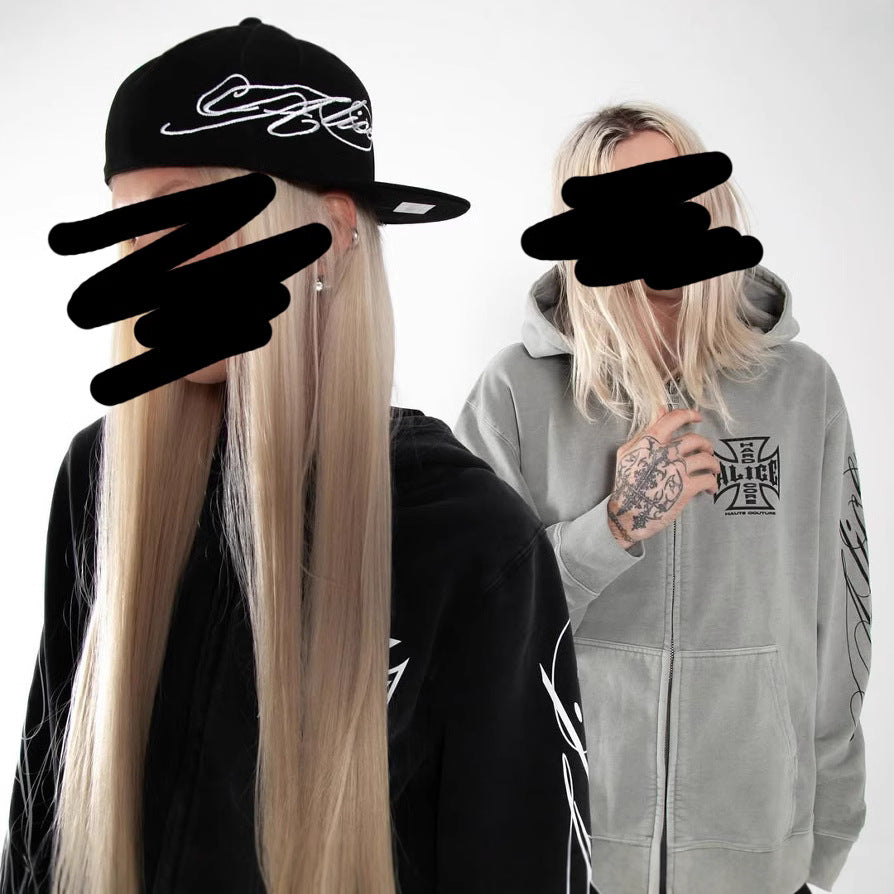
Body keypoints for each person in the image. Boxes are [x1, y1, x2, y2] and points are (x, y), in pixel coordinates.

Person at [0, 19, 593, 894]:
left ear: (332, 232)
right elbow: (43, 820)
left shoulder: (467, 540)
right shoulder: (101, 478)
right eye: (130, 231)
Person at [454, 101, 871, 894]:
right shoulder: (515, 391)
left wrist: (824, 838)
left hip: (757, 853)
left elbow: (840, 618)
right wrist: (614, 525)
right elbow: (474, 626)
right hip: (567, 849)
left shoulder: (801, 388)